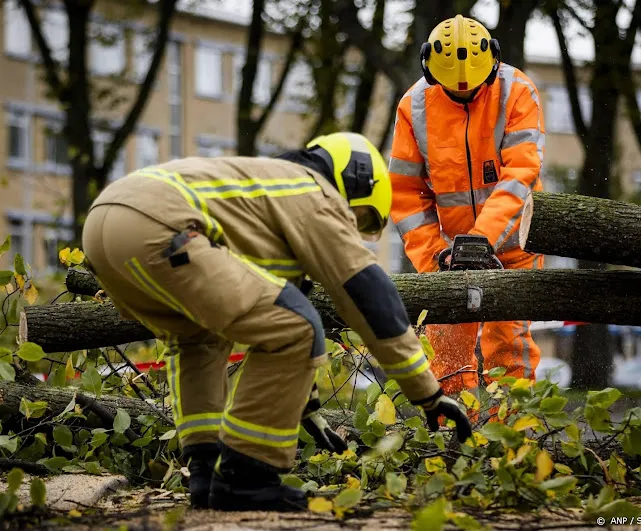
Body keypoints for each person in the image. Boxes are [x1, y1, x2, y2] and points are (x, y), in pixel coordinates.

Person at [81, 132, 472, 512]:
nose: (350, 228)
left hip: (105, 225)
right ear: (353, 181)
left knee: (198, 339)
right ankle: (245, 479)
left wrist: (304, 409)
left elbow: (268, 308)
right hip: (160, 224)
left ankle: (205, 472)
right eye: (359, 216)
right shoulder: (313, 191)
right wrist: (427, 393)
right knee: (298, 328)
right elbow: (368, 292)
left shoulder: (262, 194)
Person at [389, 15, 545, 395]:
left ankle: (514, 442)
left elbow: (519, 175)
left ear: (492, 64)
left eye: (472, 90)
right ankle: (450, 441)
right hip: (449, 256)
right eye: (452, 90)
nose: (463, 94)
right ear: (430, 70)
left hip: (515, 248)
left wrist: (482, 240)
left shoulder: (517, 91)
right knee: (446, 356)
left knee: (509, 355)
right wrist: (435, 258)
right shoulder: (415, 107)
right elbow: (407, 195)